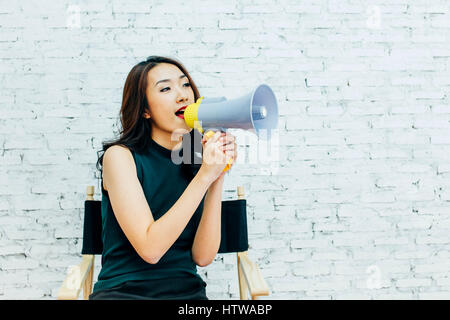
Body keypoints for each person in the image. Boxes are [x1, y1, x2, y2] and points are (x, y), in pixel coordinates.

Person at [89, 56, 237, 300]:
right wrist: (204, 177)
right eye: (166, 88)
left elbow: (203, 256)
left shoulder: (195, 157)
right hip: (125, 293)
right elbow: (151, 250)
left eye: (185, 84)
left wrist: (218, 176)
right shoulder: (119, 158)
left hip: (187, 294)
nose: (182, 95)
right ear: (144, 109)